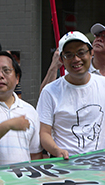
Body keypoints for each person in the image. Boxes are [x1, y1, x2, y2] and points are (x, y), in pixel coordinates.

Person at [37, 31, 105, 160]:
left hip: (100, 166)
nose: (76, 59)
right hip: (66, 167)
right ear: (61, 59)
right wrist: (56, 150)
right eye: (69, 55)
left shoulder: (103, 85)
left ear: (91, 53)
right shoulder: (50, 91)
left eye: (81, 52)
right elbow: (43, 132)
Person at [40, 23, 105, 93]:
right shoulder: (73, 70)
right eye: (98, 35)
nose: (99, 39)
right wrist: (54, 67)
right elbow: (45, 96)